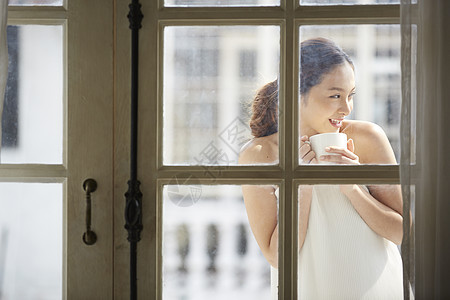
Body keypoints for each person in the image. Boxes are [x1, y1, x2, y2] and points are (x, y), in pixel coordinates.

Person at [239, 38, 404, 299]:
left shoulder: (368, 138)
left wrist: (352, 187)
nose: (346, 108)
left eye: (350, 95)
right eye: (335, 96)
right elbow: (277, 256)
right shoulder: (259, 155)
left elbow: (399, 232)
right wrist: (302, 183)